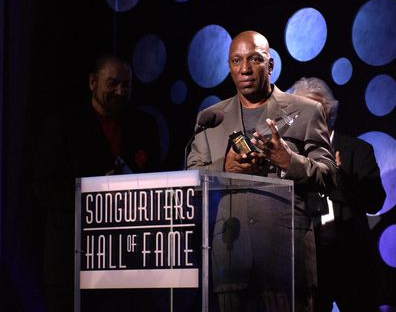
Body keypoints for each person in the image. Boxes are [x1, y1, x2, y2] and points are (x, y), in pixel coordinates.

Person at [186, 31, 337, 312]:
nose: (245, 69)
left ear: (270, 65)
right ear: (229, 66)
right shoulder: (211, 118)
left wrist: (288, 160)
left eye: (255, 59)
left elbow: (328, 175)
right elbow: (191, 181)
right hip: (231, 260)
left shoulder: (306, 111)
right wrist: (224, 167)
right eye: (236, 60)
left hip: (285, 260)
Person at [33, 52, 161, 311]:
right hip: (71, 262)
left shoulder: (143, 125)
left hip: (127, 264)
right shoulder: (64, 123)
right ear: (92, 82)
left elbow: (157, 181)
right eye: (112, 83)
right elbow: (44, 187)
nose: (120, 91)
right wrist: (95, 191)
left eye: (127, 85)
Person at [290, 77, 386, 312]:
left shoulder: (357, 150)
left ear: (329, 110)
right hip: (309, 265)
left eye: (315, 107)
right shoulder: (291, 157)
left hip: (352, 262)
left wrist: (339, 180)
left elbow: (375, 201)